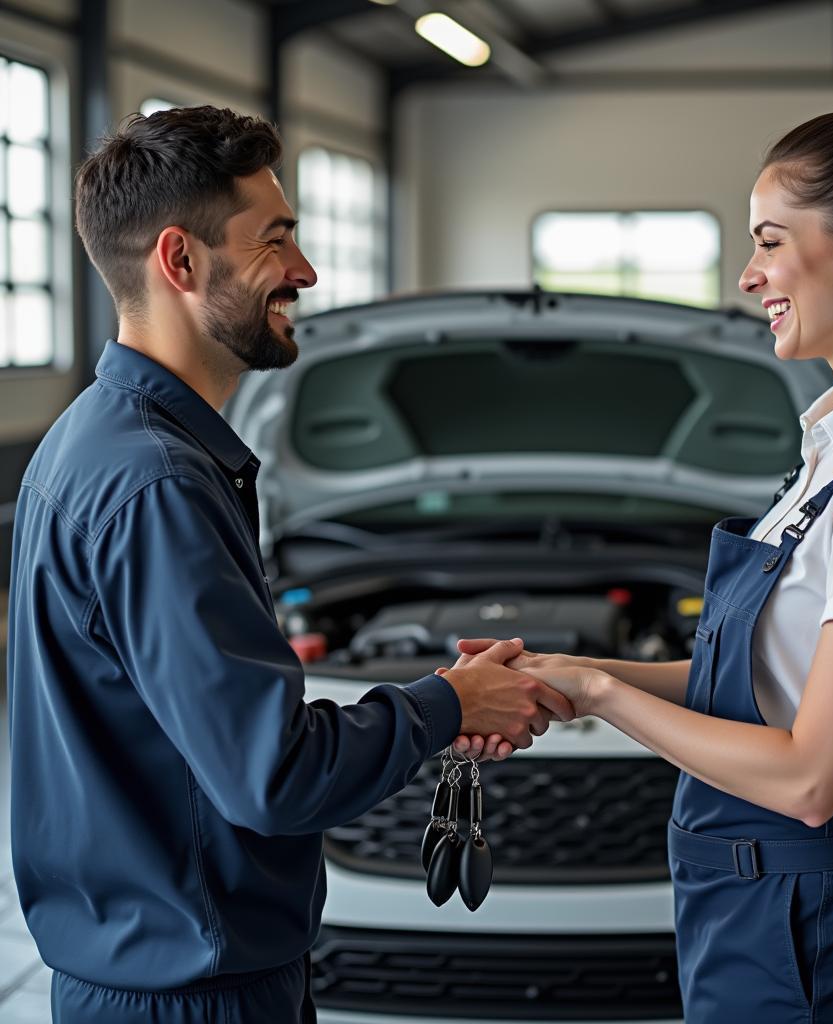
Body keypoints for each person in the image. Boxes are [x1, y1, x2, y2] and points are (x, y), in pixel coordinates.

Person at [448, 97, 833, 1022]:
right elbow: (759, 680)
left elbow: (810, 775)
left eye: (768, 240)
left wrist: (603, 702)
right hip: (761, 914)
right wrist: (575, 669)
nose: (750, 276)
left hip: (818, 929)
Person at [6, 105, 571, 1024]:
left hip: (151, 970)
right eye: (275, 240)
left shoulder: (94, 443)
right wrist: (449, 703)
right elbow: (274, 776)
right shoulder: (157, 485)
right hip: (193, 997)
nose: (306, 272)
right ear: (180, 262)